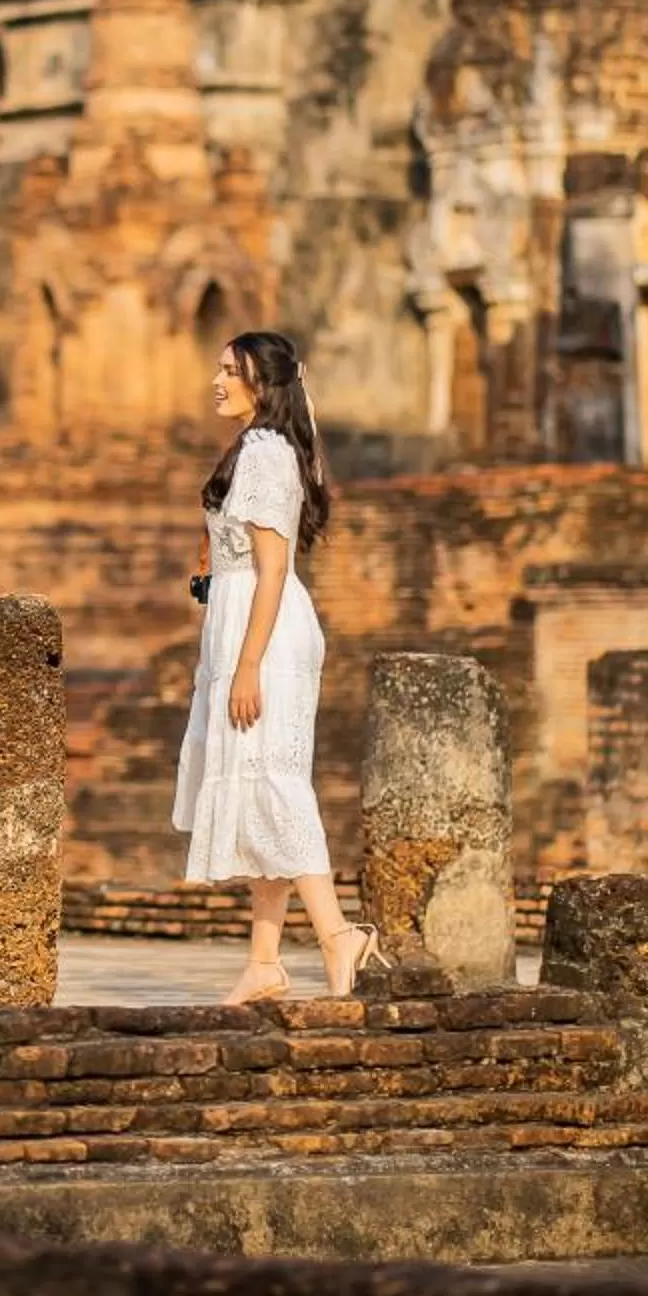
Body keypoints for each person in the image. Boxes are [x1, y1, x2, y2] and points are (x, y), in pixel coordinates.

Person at [173, 329, 384, 1002]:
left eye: (230, 370)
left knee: (276, 783)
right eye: (218, 367)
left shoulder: (265, 452)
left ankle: (336, 934)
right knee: (264, 780)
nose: (217, 380)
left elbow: (271, 571)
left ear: (262, 385)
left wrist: (247, 666)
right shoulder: (256, 450)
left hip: (264, 636)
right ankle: (265, 961)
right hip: (243, 627)